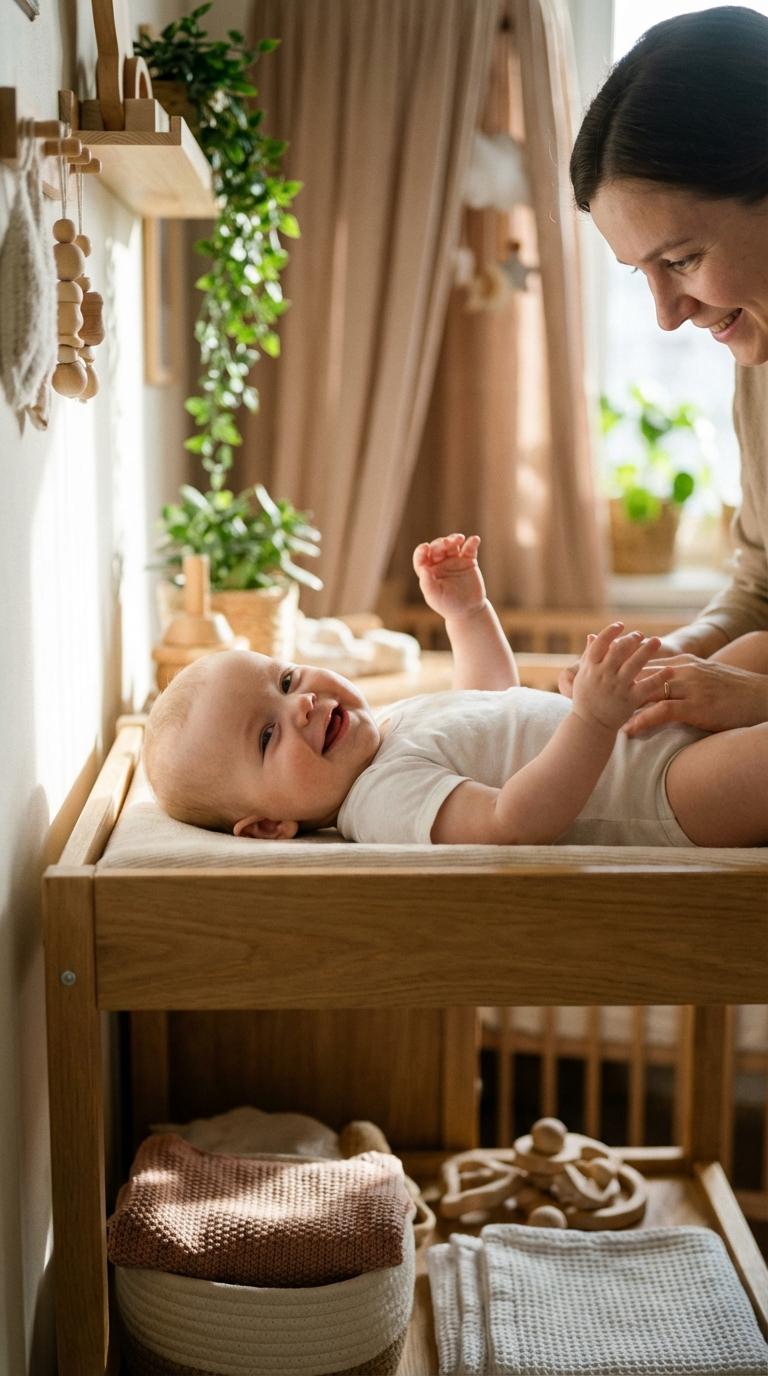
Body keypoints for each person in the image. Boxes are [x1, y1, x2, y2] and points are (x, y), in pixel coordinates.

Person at [144, 534, 768, 849]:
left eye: (284, 680)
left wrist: (468, 613)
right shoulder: (379, 800)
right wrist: (593, 721)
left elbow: (488, 698)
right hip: (664, 790)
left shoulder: (388, 730)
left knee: (756, 648)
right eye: (266, 734)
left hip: (649, 736)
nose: (300, 701)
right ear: (268, 828)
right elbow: (512, 820)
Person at [566, 5, 768, 735]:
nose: (667, 315)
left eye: (681, 260)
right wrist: (682, 654)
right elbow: (763, 583)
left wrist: (756, 700)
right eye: (640, 273)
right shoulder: (760, 360)